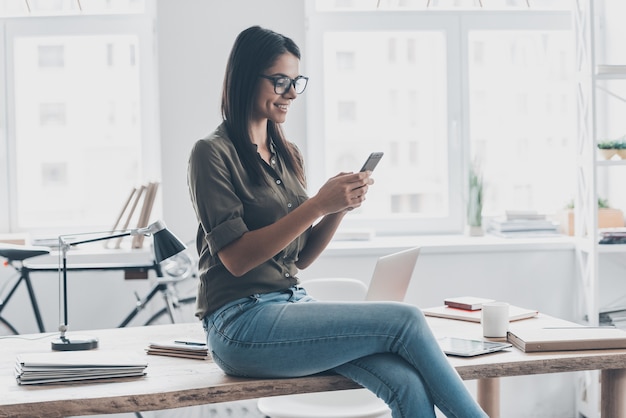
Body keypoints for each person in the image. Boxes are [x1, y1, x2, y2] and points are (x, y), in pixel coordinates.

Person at [187, 25, 488, 418]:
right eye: (281, 81)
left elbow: (302, 258)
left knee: (406, 381)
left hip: (290, 305)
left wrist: (337, 208)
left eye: (296, 82)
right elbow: (237, 259)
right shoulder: (211, 153)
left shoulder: (286, 153)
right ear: (246, 77)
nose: (292, 93)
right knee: (406, 320)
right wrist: (316, 205)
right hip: (239, 324)